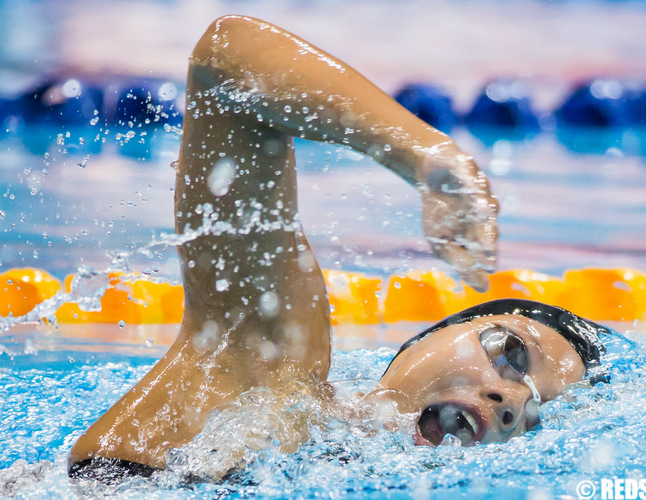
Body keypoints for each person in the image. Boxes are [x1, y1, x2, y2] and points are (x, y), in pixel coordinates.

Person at [67, 15, 606, 480]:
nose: (509, 403)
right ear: (428, 337)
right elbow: (224, 56)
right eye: (511, 354)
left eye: (533, 412)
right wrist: (424, 154)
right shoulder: (272, 377)